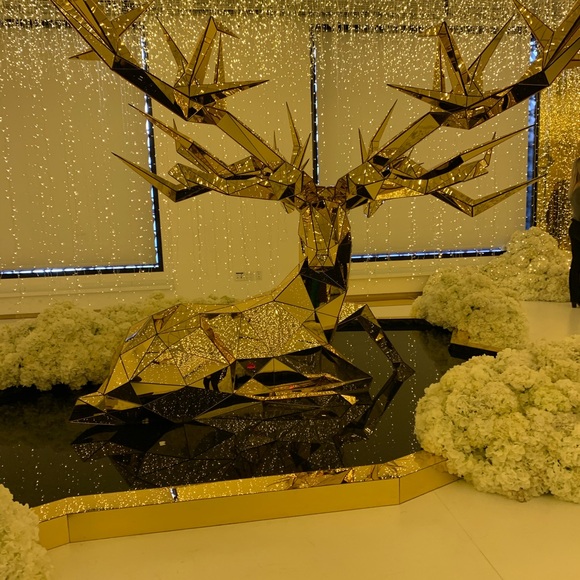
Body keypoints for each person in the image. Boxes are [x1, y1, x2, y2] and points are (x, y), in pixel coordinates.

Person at [568, 156, 580, 307]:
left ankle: (575, 297)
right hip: (579, 227)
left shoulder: (575, 188)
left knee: (577, 263)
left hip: (576, 227)